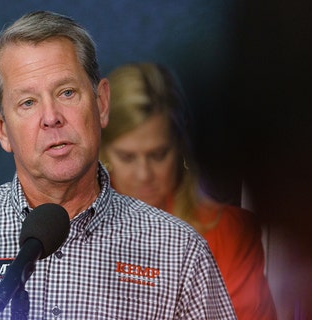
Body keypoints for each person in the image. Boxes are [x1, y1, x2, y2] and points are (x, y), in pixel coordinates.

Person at [0, 11, 236, 319]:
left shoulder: (177, 251)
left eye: (66, 93)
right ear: (1, 128)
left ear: (102, 103)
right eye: (28, 102)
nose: (51, 117)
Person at [100, 62, 276, 319]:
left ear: (180, 144)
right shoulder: (70, 228)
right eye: (127, 157)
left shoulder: (228, 234)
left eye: (158, 155)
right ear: (104, 151)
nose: (143, 174)